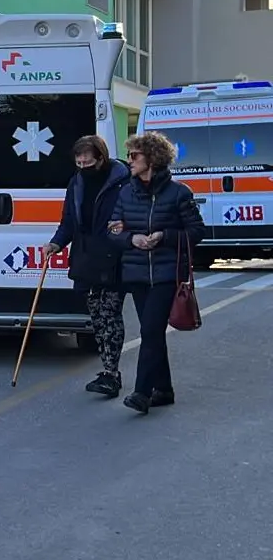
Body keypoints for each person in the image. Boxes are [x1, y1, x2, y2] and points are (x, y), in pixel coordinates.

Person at [107, 131, 205, 415]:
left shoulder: (179, 192)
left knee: (150, 330)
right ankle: (164, 390)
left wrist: (164, 236)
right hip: (136, 273)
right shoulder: (126, 191)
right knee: (152, 333)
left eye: (134, 156)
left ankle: (141, 392)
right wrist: (131, 239)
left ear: (152, 158)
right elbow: (114, 228)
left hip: (166, 273)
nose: (130, 161)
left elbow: (196, 231)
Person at [42, 135, 131, 398]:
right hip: (86, 258)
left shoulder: (122, 182)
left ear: (101, 159)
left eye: (88, 162)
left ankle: (112, 373)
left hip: (114, 257)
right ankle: (107, 370)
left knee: (110, 315)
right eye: (79, 162)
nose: (83, 167)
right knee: (97, 317)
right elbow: (68, 220)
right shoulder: (77, 183)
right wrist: (56, 244)